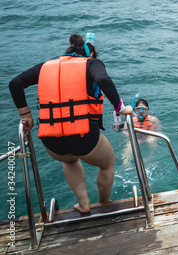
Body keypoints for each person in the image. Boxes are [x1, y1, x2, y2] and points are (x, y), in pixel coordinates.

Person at [9, 34, 133, 214]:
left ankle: (83, 204)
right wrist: (120, 108)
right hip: (84, 137)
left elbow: (15, 84)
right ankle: (104, 203)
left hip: (52, 141)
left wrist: (26, 116)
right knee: (107, 163)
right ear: (91, 56)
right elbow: (104, 80)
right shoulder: (92, 63)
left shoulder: (46, 66)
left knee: (69, 160)